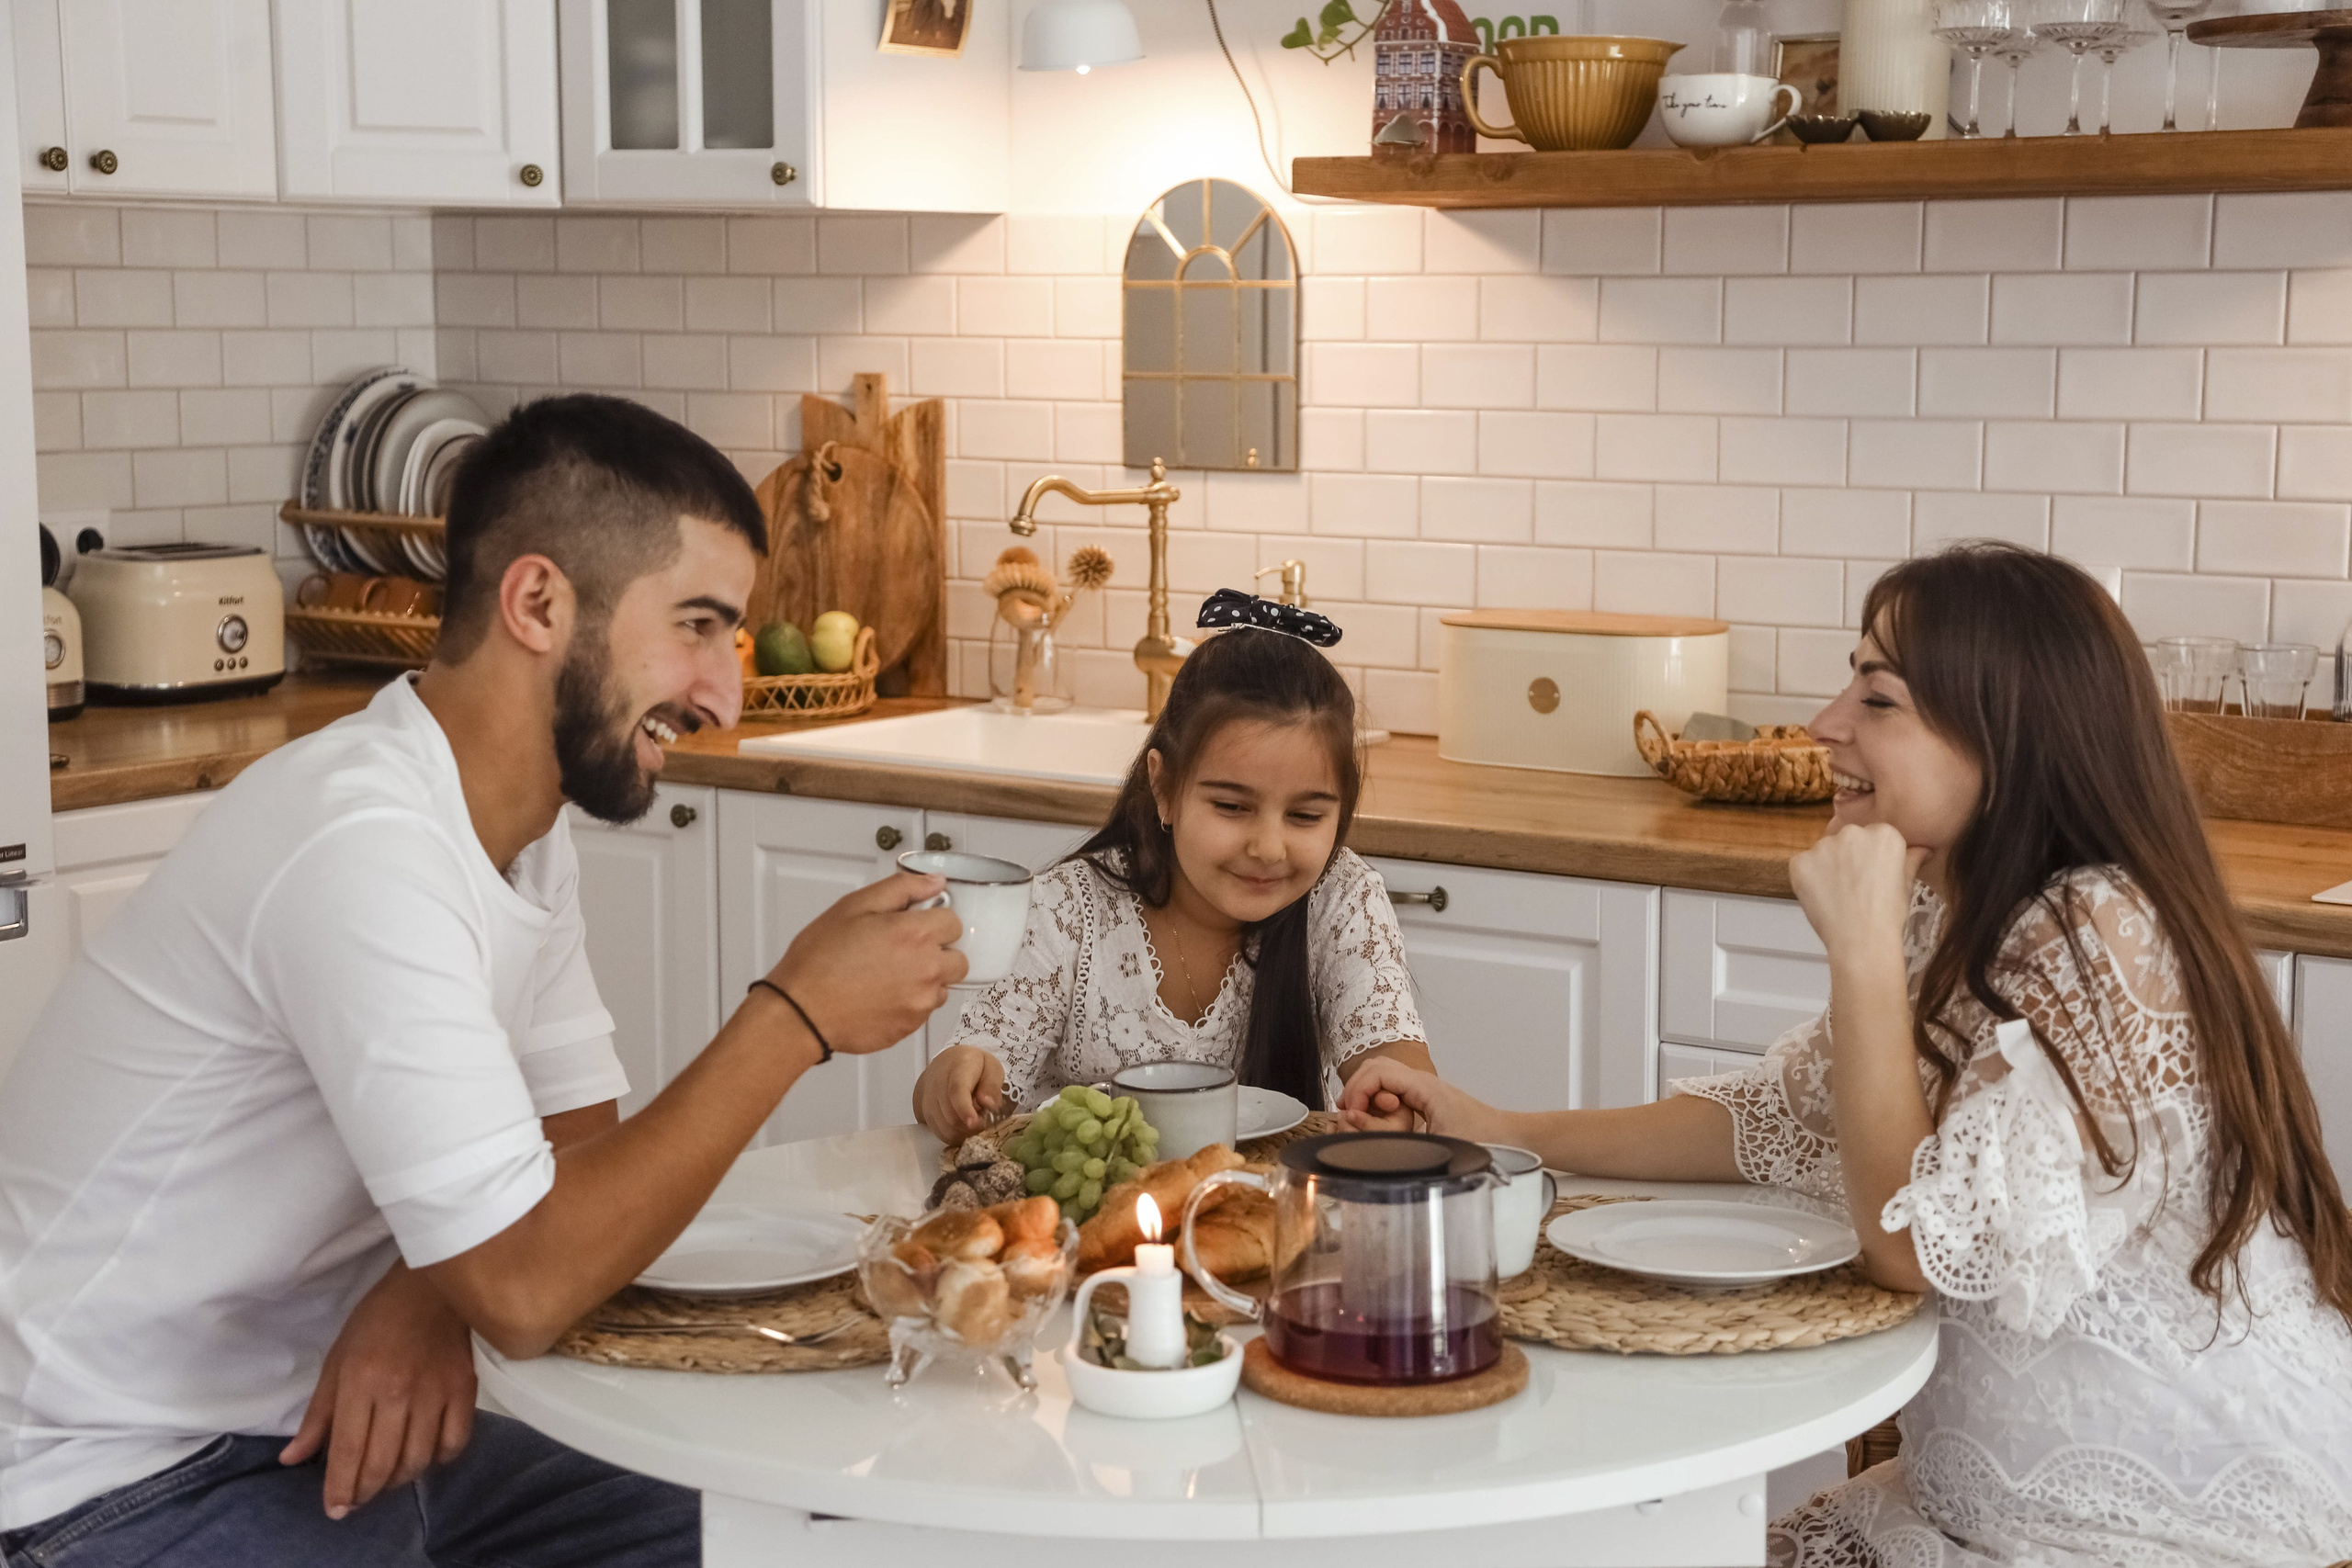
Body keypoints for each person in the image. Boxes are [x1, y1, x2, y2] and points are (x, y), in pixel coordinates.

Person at [0, 394, 966, 1566]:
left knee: (807, 1541)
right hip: (115, 1480)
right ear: (539, 603)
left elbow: (568, 1145)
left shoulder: (514, 823)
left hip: (324, 1432)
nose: (725, 692)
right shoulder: (361, 845)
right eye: (699, 627)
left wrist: (426, 1294)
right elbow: (523, 1282)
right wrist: (794, 1016)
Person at [1340, 543, 2352, 1566]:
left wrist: (1861, 959)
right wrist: (1501, 1129)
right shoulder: (1951, 903)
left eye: (1878, 698)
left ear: (2007, 738)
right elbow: (1780, 1113)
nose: (1826, 724)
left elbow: (1913, 1248)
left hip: (2164, 1532)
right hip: (1969, 1505)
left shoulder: (2097, 931)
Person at [910, 592, 1434, 1143]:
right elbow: (971, 1066)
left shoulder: (1342, 899)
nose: (1269, 847)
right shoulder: (1067, 909)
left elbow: (1395, 1060)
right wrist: (956, 1083)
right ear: (1163, 787)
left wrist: (1394, 1095)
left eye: (1305, 815)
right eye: (1231, 807)